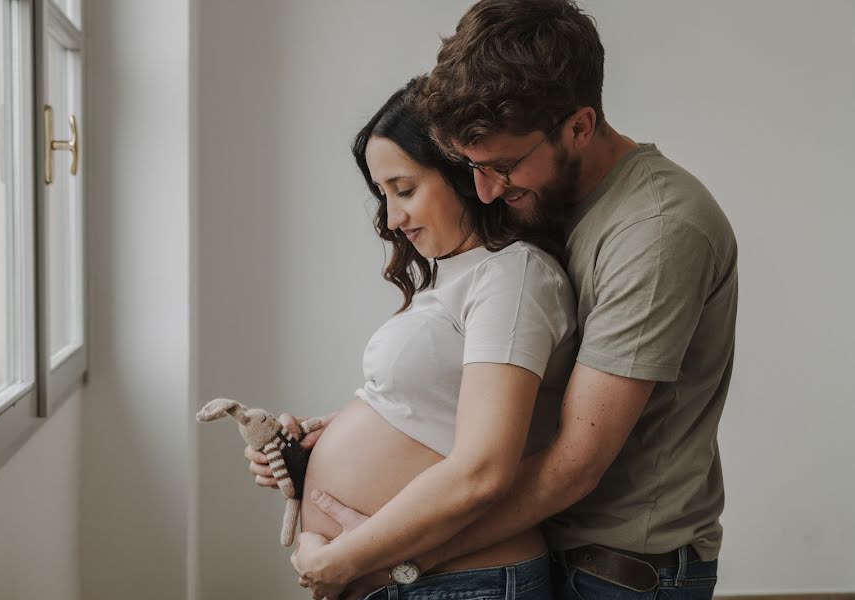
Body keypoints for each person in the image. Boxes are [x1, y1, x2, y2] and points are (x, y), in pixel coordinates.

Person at [269, 1, 738, 599]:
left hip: (614, 568)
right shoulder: (541, 201)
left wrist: (392, 559)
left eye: (502, 166)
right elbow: (524, 384)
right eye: (471, 168)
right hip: (551, 544)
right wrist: (373, 422)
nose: (485, 190)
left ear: (579, 127)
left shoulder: (657, 228)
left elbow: (575, 461)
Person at [248, 77, 578, 600]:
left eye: (404, 190)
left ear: (464, 176)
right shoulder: (459, 275)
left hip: (463, 581)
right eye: (383, 195)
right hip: (423, 580)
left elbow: (484, 470)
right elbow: (438, 414)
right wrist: (320, 442)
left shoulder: (514, 277)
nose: (392, 218)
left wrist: (340, 560)